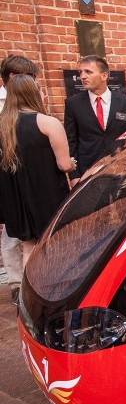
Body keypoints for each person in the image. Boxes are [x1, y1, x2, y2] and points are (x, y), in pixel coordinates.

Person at [0, 75, 76, 265]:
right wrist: (73, 164)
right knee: (55, 244)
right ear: (34, 93)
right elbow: (64, 165)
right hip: (46, 195)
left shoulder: (3, 125)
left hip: (16, 199)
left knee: (29, 247)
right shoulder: (48, 123)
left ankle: (28, 293)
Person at [0, 55, 38, 305]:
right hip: (7, 174)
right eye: (31, 78)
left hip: (31, 172)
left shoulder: (30, 99)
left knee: (32, 232)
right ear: (15, 78)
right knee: (13, 233)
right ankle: (16, 282)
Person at [64, 55, 126, 180]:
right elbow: (71, 141)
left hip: (121, 170)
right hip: (88, 172)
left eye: (88, 72)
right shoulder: (73, 104)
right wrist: (74, 176)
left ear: (104, 76)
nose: (82, 76)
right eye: (80, 72)